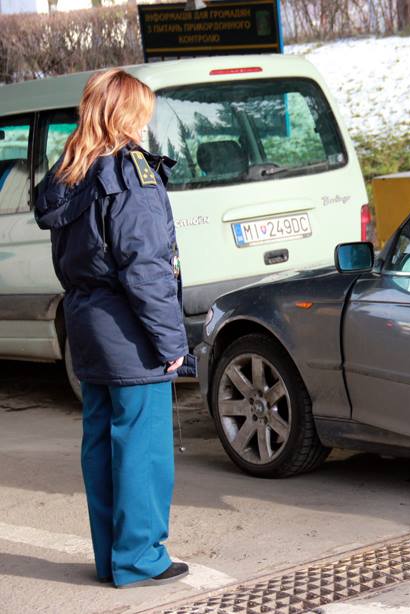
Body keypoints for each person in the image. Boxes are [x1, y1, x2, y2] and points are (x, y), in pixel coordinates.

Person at [34, 69, 190, 588]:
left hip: (87, 326)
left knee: (101, 442)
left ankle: (113, 558)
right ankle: (141, 558)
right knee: (141, 448)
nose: (146, 125)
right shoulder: (129, 176)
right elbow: (145, 268)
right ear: (126, 115)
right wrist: (171, 342)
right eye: (142, 113)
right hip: (129, 333)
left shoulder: (70, 176)